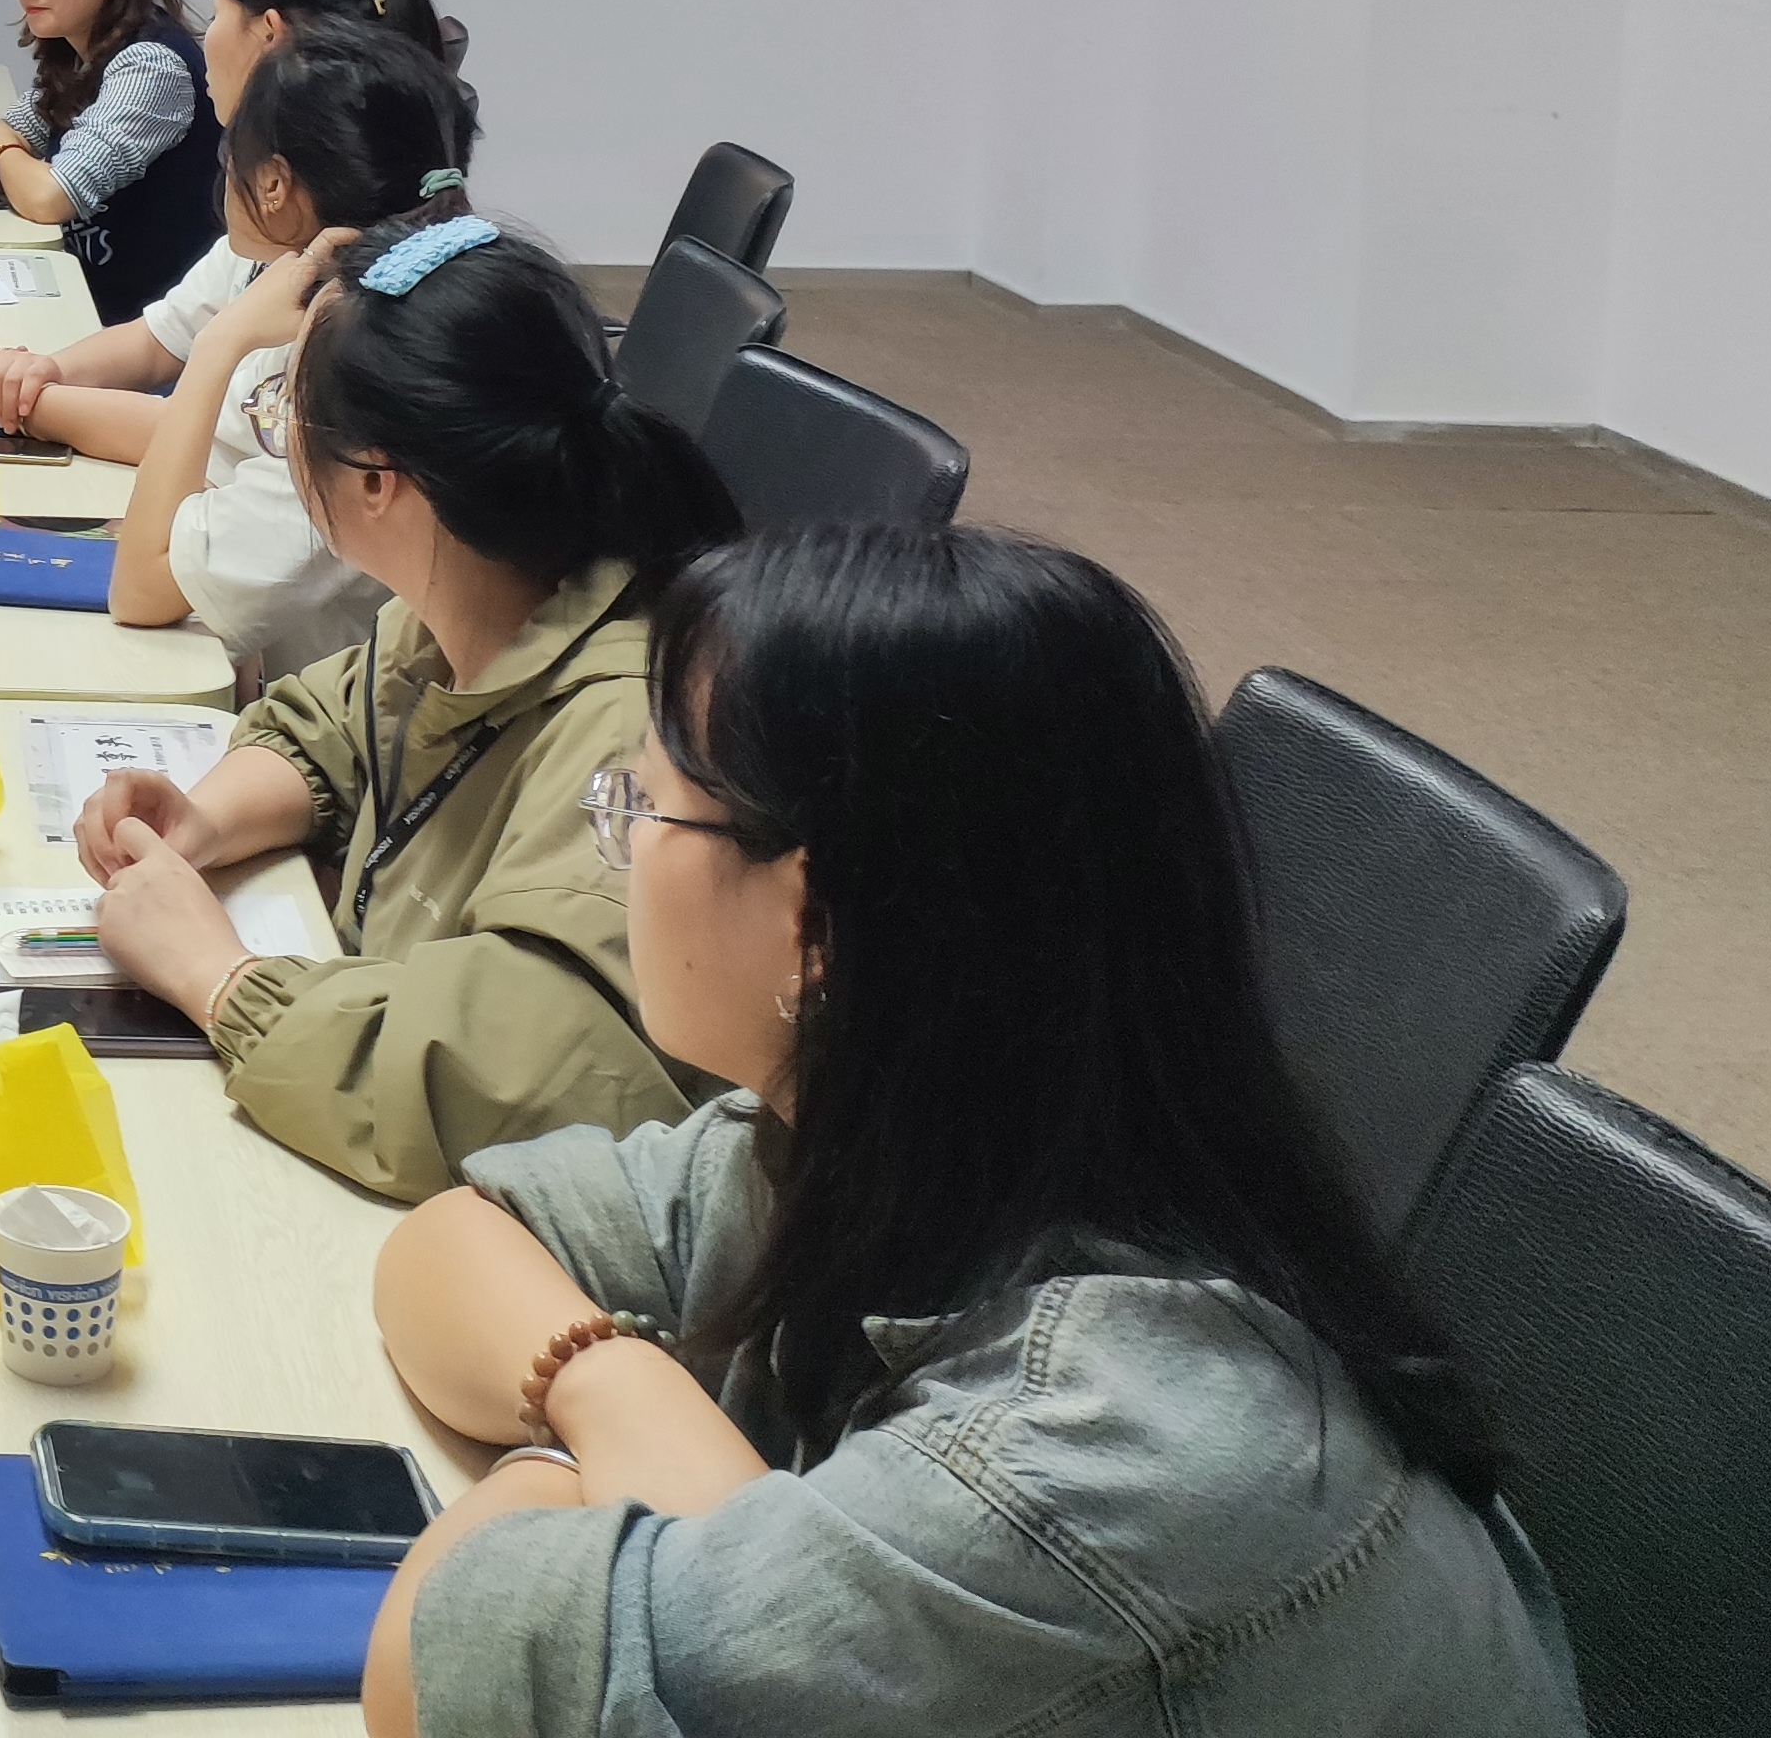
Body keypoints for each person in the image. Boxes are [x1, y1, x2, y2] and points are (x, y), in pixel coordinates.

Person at [360, 523, 1584, 1738]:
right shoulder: (923, 1136)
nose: (620, 844)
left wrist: (562, 1482)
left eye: (644, 805)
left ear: (813, 920)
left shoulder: (1079, 1467)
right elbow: (452, 1241)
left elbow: (426, 1674)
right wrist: (612, 1386)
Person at [73, 213, 736, 1202]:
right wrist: (204, 819)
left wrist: (218, 978)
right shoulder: (481, 591)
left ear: (378, 481)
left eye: (284, 422)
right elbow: (336, 726)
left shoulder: (626, 745)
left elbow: (513, 1087)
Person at [0, 0, 458, 455]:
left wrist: (11, 396)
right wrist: (39, 373)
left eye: (217, 14)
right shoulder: (278, 216)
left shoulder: (333, 278)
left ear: (270, 34)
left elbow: (208, 442)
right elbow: (162, 338)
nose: (203, 37)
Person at [104, 29, 480, 687]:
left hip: (360, 730)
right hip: (314, 691)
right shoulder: (353, 299)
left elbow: (139, 592)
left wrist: (220, 344)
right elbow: (210, 453)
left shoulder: (356, 377)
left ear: (275, 183)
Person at [0, 0, 229, 330]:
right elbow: (10, 133)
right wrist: (9, 158)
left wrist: (4, 154)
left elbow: (49, 196)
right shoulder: (79, 50)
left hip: (149, 330)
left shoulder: (150, 66)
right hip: (96, 302)